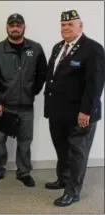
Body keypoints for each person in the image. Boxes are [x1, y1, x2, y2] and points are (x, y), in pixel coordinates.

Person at [44, 9, 105, 207]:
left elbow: (95, 85)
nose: (66, 28)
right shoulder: (58, 47)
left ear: (81, 26)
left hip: (80, 114)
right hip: (58, 112)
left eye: (71, 24)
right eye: (63, 25)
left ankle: (72, 191)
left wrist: (86, 111)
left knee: (77, 153)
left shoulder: (93, 49)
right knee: (62, 149)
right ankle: (63, 179)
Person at [0, 13, 48, 187]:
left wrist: (33, 91)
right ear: (7, 27)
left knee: (25, 141)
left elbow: (43, 73)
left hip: (26, 106)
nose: (15, 28)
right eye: (12, 25)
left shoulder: (35, 49)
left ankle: (24, 172)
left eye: (18, 25)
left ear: (23, 27)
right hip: (3, 106)